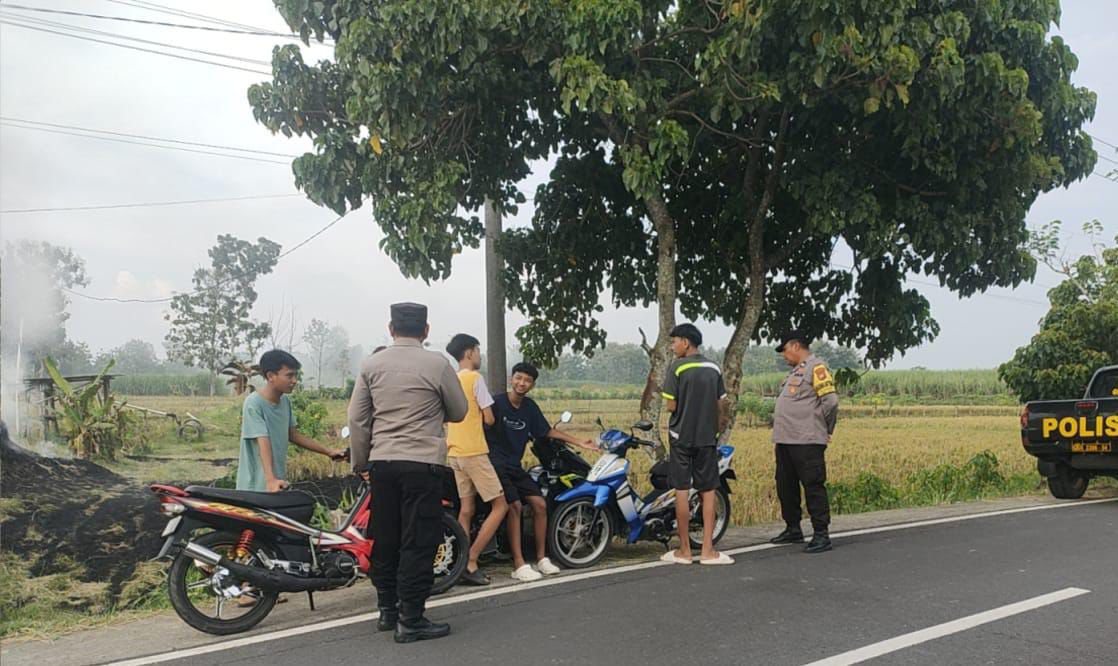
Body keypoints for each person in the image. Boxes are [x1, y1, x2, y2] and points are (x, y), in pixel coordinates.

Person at [348, 303, 468, 643]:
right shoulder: (437, 364)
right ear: (426, 331)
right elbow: (459, 411)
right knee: (418, 540)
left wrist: (361, 463)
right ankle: (411, 619)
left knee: (385, 538)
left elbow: (357, 419)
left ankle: (387, 610)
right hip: (421, 465)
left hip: (383, 465)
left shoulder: (372, 365)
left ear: (391, 328)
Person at [486, 362, 597, 581]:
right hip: (495, 464)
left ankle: (542, 558)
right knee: (515, 506)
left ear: (532, 385)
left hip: (514, 466)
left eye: (527, 380)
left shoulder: (529, 407)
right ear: (511, 379)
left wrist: (580, 442)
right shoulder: (497, 403)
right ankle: (518, 564)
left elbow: (546, 431)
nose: (522, 383)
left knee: (539, 504)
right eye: (518, 378)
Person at [658, 323, 733, 566]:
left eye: (674, 342)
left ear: (686, 343)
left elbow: (670, 406)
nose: (672, 346)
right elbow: (722, 403)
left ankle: (685, 551)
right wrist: (716, 427)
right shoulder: (713, 367)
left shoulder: (677, 368)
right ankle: (709, 551)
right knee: (708, 491)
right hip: (706, 439)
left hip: (681, 438)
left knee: (681, 491)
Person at [444, 333, 508, 586]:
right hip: (474, 452)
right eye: (478, 351)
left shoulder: (450, 379)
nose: (480, 356)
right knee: (500, 505)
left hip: (454, 453)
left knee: (467, 510)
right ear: (469, 353)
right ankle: (471, 559)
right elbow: (490, 418)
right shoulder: (475, 378)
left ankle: (459, 561)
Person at [769, 329, 839, 554]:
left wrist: (825, 428)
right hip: (786, 440)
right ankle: (793, 528)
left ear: (796, 346)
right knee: (785, 485)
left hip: (807, 440)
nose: (784, 355)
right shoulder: (795, 371)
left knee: (813, 485)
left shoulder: (816, 367)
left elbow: (830, 401)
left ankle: (821, 534)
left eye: (785, 349)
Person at [237, 349, 345, 493]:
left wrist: (329, 452)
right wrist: (270, 480)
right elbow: (263, 441)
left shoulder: (285, 402)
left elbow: (293, 435)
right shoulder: (254, 403)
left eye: (295, 375)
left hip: (276, 483)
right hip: (256, 486)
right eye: (289, 375)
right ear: (270, 376)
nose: (294, 380)